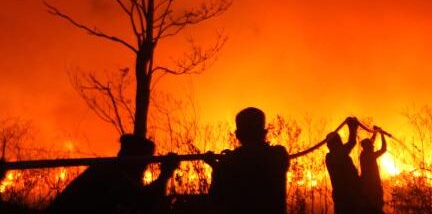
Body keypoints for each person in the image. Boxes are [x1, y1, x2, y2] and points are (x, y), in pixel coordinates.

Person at [46, 135, 179, 214]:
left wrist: (164, 176)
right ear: (133, 158)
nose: (145, 167)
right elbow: (141, 201)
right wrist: (165, 174)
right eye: (144, 161)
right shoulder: (108, 173)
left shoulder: (109, 169)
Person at [206, 107, 290, 214]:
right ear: (264, 132)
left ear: (238, 134)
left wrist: (216, 167)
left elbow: (216, 200)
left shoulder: (228, 163)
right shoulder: (278, 156)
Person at [325, 116, 361, 214]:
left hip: (351, 197)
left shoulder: (338, 155)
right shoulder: (332, 157)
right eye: (338, 141)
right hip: (345, 199)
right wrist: (352, 128)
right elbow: (351, 143)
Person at [359, 126, 387, 214]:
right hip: (373, 186)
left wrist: (375, 132)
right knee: (376, 207)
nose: (373, 146)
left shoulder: (364, 154)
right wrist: (381, 134)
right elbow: (384, 148)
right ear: (368, 147)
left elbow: (370, 142)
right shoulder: (370, 156)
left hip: (366, 185)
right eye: (371, 146)